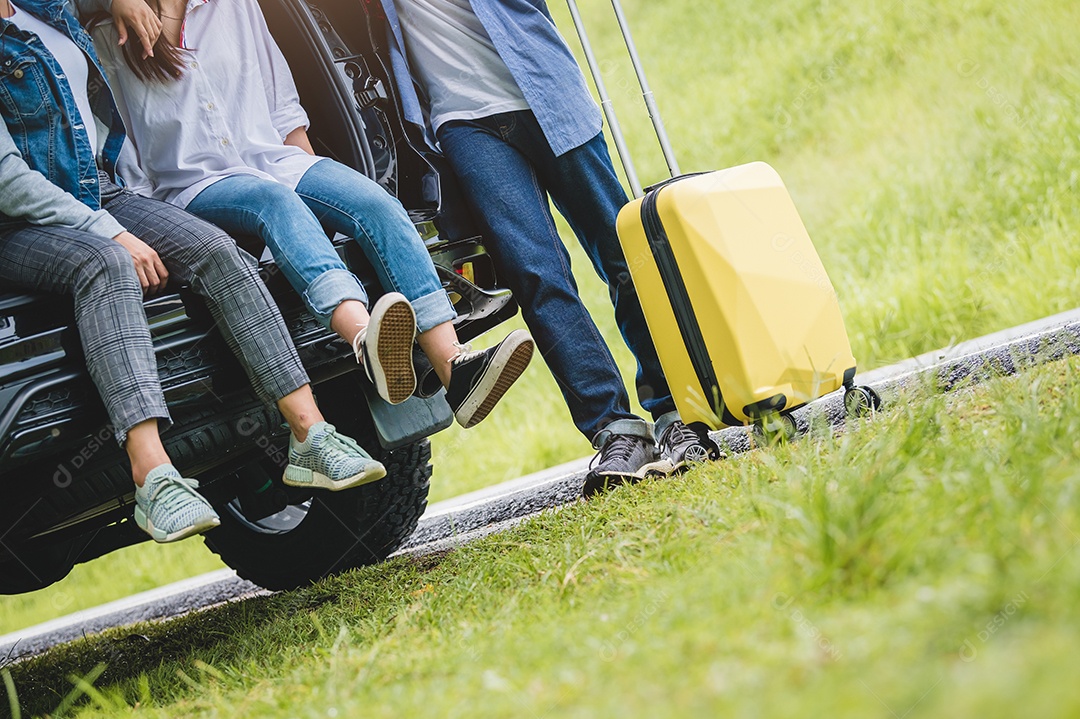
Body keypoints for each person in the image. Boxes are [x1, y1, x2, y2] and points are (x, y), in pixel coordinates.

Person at [0, 0, 400, 544]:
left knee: (215, 250)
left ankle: (311, 435)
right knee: (107, 265)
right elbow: (8, 180)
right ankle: (154, 478)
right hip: (16, 223)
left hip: (98, 190)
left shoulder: (43, 10)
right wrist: (107, 229)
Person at [83, 0, 534, 433]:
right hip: (191, 186)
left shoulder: (236, 6)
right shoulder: (107, 34)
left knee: (373, 203)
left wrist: (325, 190)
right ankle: (364, 340)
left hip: (276, 160)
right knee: (275, 203)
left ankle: (453, 367)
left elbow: (280, 101)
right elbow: (124, 155)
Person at [377, 0, 722, 495]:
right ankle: (615, 430)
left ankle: (676, 410)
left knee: (623, 255)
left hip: (544, 93)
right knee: (537, 277)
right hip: (463, 126)